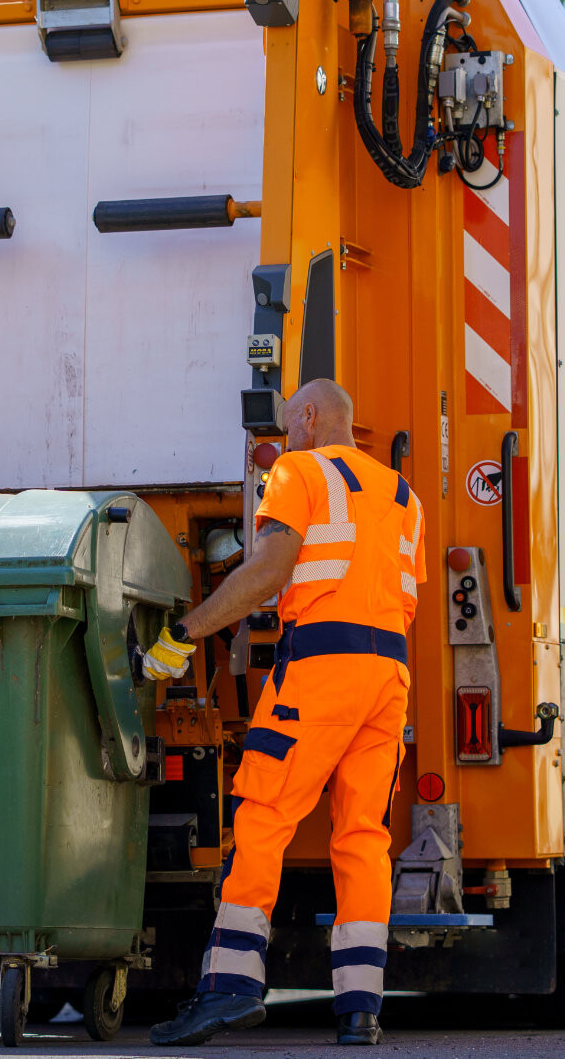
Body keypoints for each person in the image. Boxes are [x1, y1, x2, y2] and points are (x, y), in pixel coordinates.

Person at [143, 379, 426, 1047]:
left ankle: (230, 986)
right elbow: (399, 592)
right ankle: (360, 1009)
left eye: (289, 423)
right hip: (388, 676)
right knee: (362, 835)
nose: (285, 437)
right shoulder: (402, 495)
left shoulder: (300, 471)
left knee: (264, 813)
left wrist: (184, 633)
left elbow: (270, 571)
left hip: (321, 669)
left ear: (309, 415)